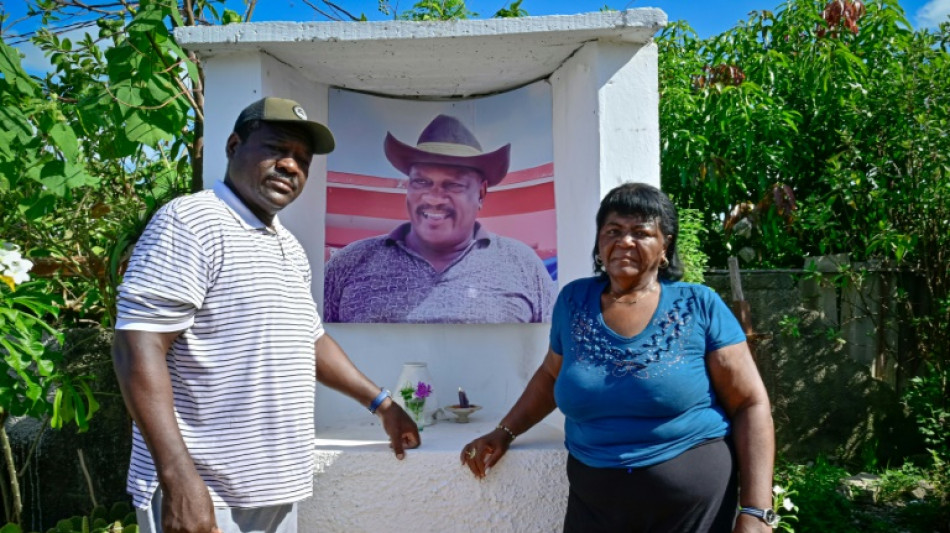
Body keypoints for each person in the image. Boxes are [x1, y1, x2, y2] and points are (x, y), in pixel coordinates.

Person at [112, 97, 420, 533]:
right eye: (277, 149)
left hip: (272, 491)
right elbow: (136, 344)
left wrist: (382, 404)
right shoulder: (191, 221)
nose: (291, 166)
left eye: (302, 160)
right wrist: (179, 479)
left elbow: (309, 341)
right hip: (206, 495)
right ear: (234, 145)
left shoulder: (286, 245)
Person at [460, 183, 777, 533]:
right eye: (613, 231)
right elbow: (551, 375)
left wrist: (757, 512)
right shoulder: (574, 301)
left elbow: (750, 403)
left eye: (641, 233)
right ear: (599, 242)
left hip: (692, 511)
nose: (625, 241)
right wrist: (504, 431)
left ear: (665, 245)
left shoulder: (698, 305)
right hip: (595, 507)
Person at [323, 114, 557, 324]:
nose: (434, 199)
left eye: (453, 184)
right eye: (422, 182)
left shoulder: (522, 265)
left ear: (481, 193)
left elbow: (556, 356)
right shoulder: (349, 264)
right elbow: (310, 351)